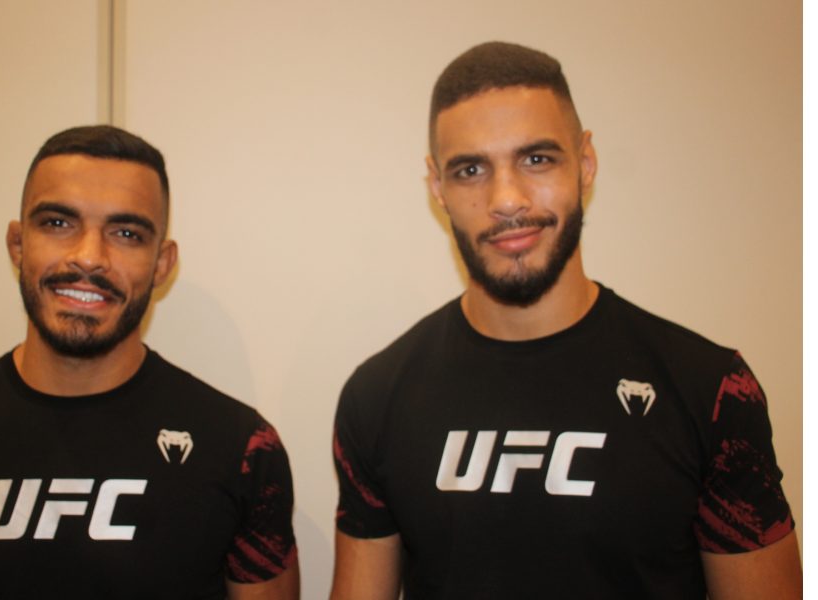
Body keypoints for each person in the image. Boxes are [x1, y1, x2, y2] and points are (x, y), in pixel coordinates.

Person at [330, 42, 801, 599]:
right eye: (471, 169)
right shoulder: (376, 396)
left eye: (537, 159)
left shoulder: (710, 390)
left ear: (586, 162)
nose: (507, 199)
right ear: (438, 187)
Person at [0, 125, 300, 599]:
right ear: (17, 244)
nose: (89, 258)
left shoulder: (241, 450)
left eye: (127, 233)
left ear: (161, 263)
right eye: (57, 223)